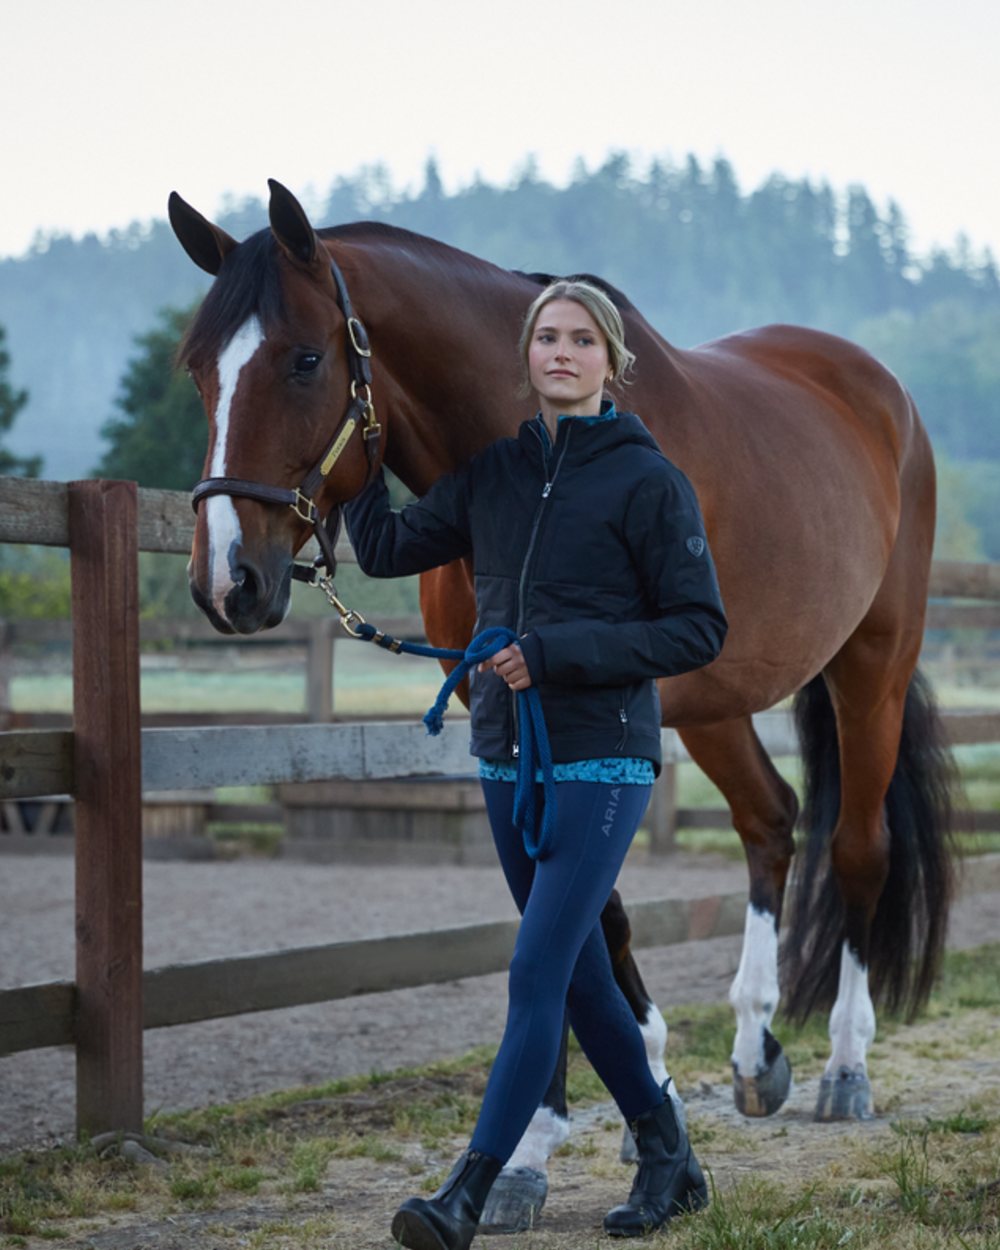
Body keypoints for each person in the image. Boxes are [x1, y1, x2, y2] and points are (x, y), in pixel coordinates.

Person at [344, 278, 727, 1248]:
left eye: (581, 339)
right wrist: (357, 459)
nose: (561, 352)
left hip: (602, 760)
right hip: (506, 753)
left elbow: (696, 628)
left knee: (535, 971)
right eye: (546, 337)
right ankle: (667, 1150)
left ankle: (465, 1192)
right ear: (527, 355)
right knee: (584, 974)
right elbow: (388, 545)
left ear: (612, 360)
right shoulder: (494, 476)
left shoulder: (650, 482)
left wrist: (557, 653)